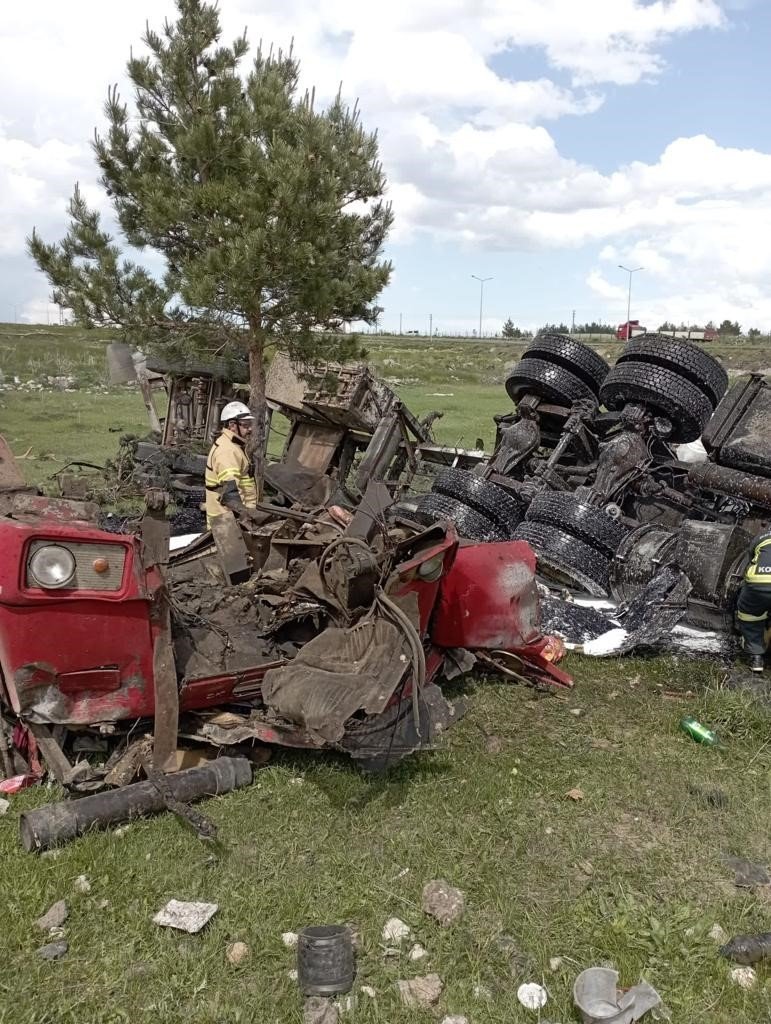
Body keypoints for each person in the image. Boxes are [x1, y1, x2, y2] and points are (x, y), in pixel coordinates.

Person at [204, 401, 258, 527]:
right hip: (227, 523)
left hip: (231, 518)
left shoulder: (234, 445)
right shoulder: (227, 451)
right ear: (232, 425)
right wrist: (246, 520)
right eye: (245, 425)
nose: (249, 429)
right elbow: (230, 493)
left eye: (250, 424)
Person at [736, 527, 771, 672]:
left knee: (749, 614)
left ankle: (756, 657)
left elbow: (750, 559)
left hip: (759, 585)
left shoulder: (762, 536)